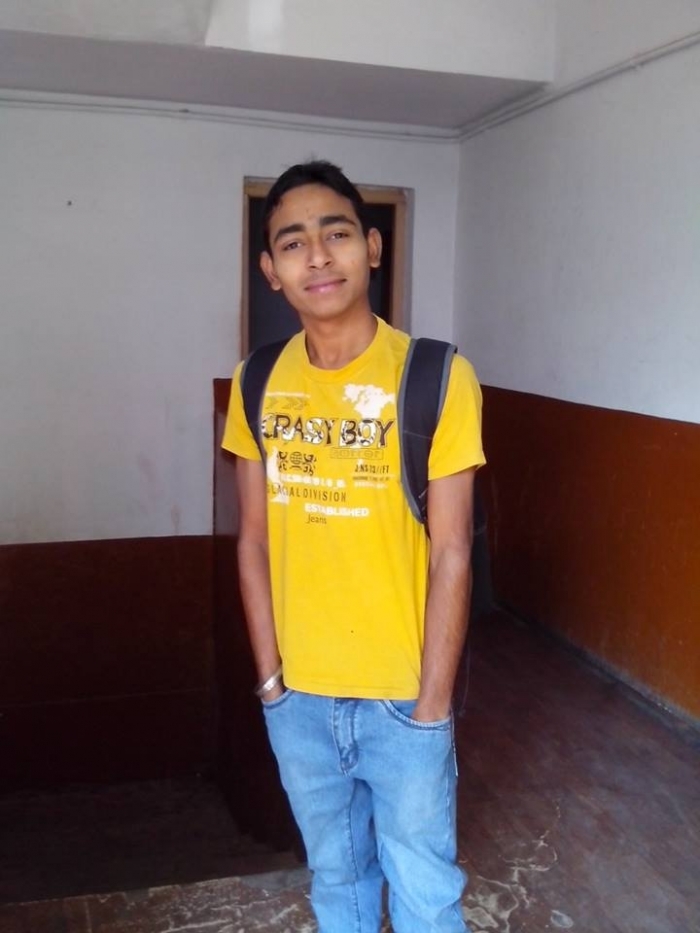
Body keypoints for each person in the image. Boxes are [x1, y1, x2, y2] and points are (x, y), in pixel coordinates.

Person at [223, 160, 485, 933]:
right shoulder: (256, 381)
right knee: (337, 883)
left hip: (404, 697)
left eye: (335, 233)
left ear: (371, 247)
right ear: (271, 270)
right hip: (300, 701)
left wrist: (431, 705)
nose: (317, 256)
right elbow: (252, 541)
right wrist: (272, 684)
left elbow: (453, 552)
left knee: (426, 895)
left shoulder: (435, 375)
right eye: (292, 242)